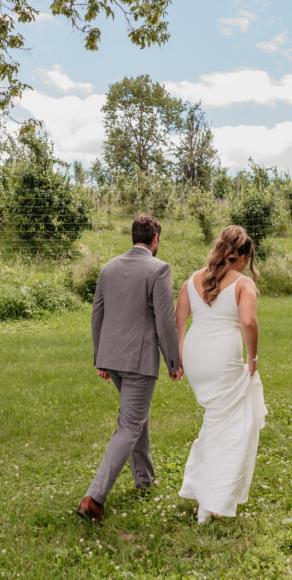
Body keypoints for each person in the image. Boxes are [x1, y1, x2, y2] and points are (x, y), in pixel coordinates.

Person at [77, 214, 183, 523]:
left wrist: (102, 358)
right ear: (155, 240)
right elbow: (164, 319)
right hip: (138, 361)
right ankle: (94, 498)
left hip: (114, 359)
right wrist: (173, 361)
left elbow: (97, 314)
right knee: (130, 426)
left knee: (137, 420)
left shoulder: (109, 267)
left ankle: (144, 481)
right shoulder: (158, 268)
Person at [175, 225, 267, 521]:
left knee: (217, 420)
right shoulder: (242, 284)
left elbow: (179, 320)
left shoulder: (191, 280)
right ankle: (212, 501)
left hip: (195, 356)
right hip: (222, 359)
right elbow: (250, 323)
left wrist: (180, 355)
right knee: (235, 428)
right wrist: (252, 357)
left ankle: (205, 494)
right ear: (241, 257)